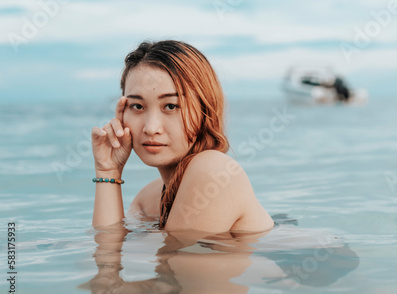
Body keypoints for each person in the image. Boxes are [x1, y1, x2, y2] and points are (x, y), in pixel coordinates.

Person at [91, 40, 274, 233]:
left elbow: (166, 261)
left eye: (171, 106)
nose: (151, 128)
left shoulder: (214, 172)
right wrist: (108, 171)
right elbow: (107, 252)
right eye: (137, 106)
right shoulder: (149, 199)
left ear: (205, 110)